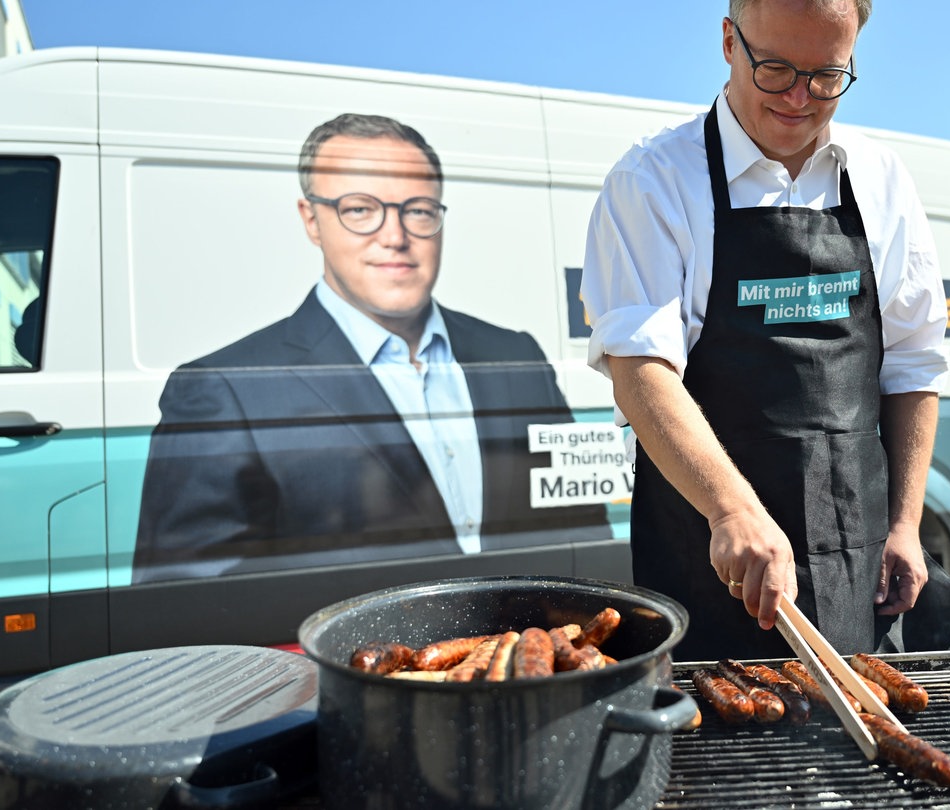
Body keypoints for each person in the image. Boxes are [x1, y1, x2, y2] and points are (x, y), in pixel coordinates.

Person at [581, 0, 950, 660]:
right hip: (708, 554)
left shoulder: (881, 179)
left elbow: (912, 363)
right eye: (776, 69)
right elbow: (640, 370)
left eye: (827, 75)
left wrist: (905, 524)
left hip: (857, 553)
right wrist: (731, 511)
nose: (800, 97)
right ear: (730, 42)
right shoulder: (654, 180)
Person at [133, 113, 605, 584]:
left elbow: (582, 538)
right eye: (359, 209)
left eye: (418, 209)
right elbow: (189, 607)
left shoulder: (514, 356)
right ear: (311, 220)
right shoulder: (226, 389)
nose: (395, 236)